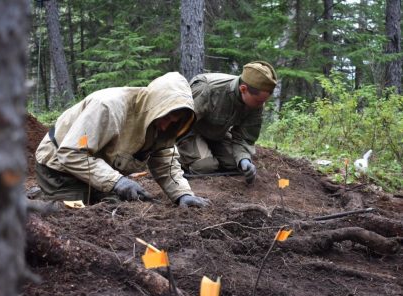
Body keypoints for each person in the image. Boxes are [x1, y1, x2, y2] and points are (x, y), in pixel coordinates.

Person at [35, 72, 210, 208]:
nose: (166, 126)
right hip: (59, 168)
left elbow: (166, 163)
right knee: (75, 212)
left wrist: (183, 194)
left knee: (118, 208)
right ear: (156, 106)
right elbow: (71, 153)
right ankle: (36, 198)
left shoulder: (162, 128)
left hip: (96, 170)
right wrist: (117, 182)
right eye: (166, 117)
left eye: (175, 122)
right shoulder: (108, 107)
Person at [176, 61, 277, 184]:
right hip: (191, 131)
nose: (261, 105)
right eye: (258, 101)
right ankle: (182, 158)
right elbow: (179, 123)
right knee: (205, 167)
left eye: (263, 101)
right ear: (243, 89)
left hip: (217, 134)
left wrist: (244, 160)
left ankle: (207, 152)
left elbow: (244, 137)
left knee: (236, 164)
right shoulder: (207, 89)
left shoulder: (256, 102)